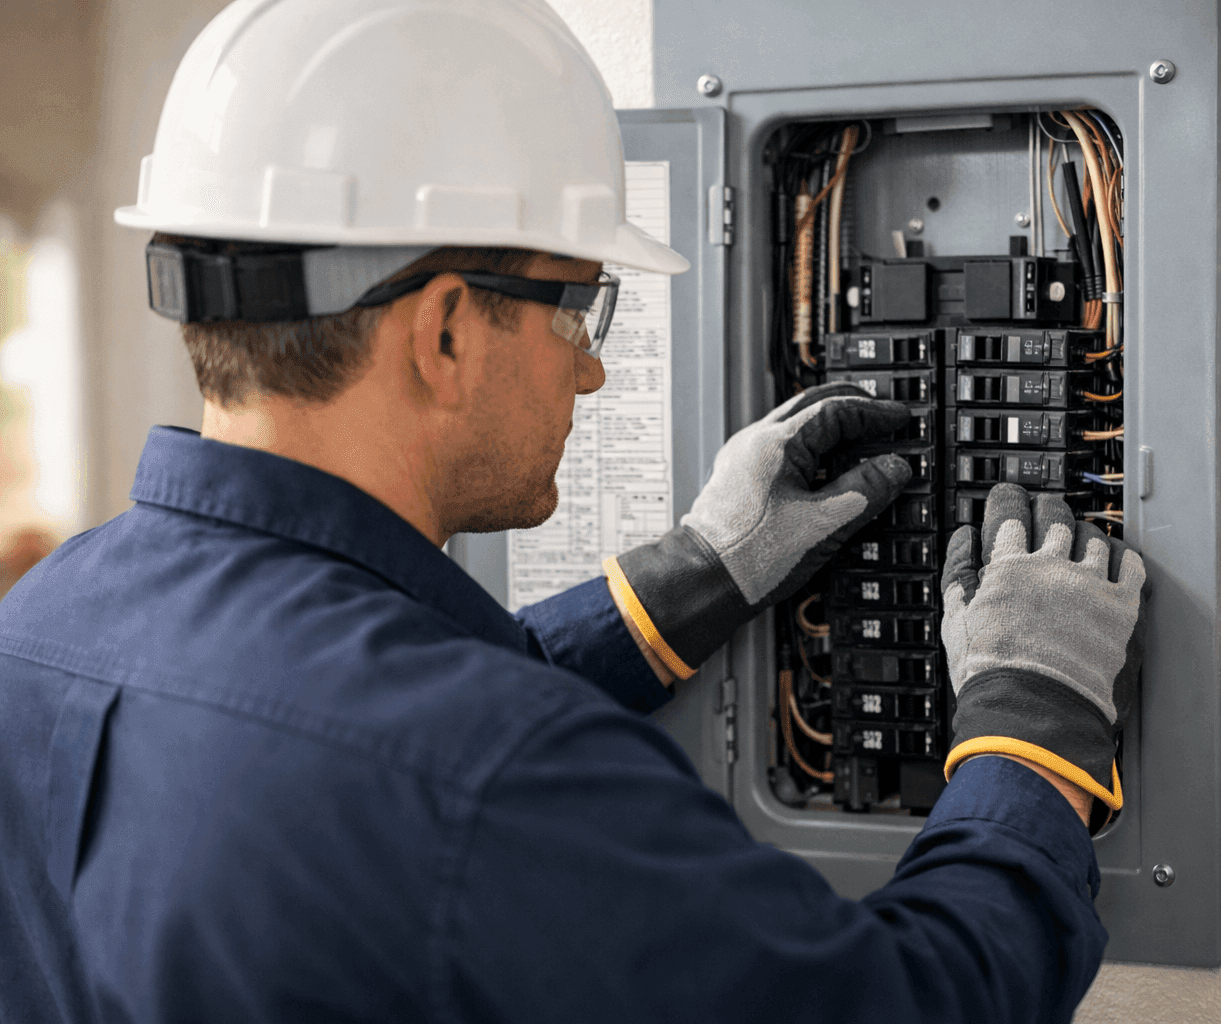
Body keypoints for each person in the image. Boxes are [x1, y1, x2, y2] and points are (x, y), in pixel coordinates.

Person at [0, 1, 1147, 1021]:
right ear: (444, 332)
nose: (589, 371)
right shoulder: (494, 774)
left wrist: (691, 577)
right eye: (576, 310)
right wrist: (1029, 728)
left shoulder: (42, 624)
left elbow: (336, 706)